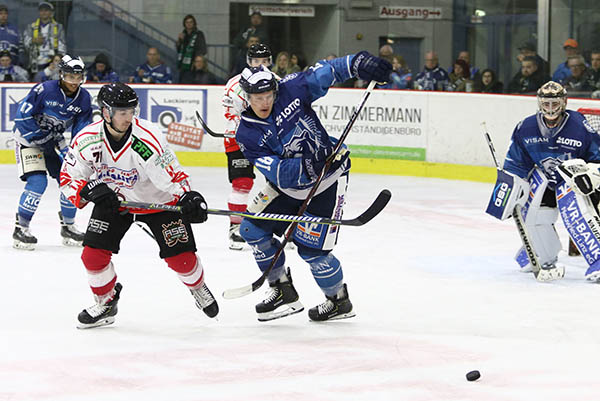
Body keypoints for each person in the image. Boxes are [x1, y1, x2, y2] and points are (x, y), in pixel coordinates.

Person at [234, 51, 392, 322]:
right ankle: (282, 289)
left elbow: (327, 71)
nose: (264, 102)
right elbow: (280, 174)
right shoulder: (247, 133)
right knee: (251, 228)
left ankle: (338, 301)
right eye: (257, 98)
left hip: (326, 183)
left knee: (312, 251)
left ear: (274, 90)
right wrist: (311, 163)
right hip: (289, 188)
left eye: (268, 96)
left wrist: (358, 63)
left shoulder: (291, 89)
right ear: (247, 98)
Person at [59, 82, 219, 329]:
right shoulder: (87, 139)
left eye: (131, 111)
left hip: (158, 202)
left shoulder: (147, 139)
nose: (128, 117)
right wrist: (87, 189)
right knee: (92, 256)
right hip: (116, 201)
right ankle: (106, 302)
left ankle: (197, 287)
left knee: (182, 260)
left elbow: (173, 177)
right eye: (122, 112)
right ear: (105, 112)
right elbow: (69, 177)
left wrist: (188, 197)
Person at [488, 81, 600, 282]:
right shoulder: (526, 127)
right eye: (546, 103)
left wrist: (591, 174)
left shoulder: (579, 125)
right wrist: (510, 187)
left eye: (554, 103)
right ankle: (544, 255)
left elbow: (597, 157)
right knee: (535, 216)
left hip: (573, 180)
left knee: (576, 215)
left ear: (564, 102)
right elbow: (516, 164)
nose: (550, 109)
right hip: (545, 180)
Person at [12, 54, 92, 250]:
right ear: (61, 74)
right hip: (28, 141)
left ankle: (68, 226)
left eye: (78, 77)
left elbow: (82, 130)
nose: (74, 82)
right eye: (70, 76)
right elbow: (22, 117)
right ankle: (20, 228)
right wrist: (40, 137)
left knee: (70, 180)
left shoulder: (84, 98)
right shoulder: (45, 90)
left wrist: (77, 153)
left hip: (54, 142)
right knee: (38, 181)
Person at [221, 43, 272, 250]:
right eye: (256, 61)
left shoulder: (275, 81)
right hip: (238, 139)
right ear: (249, 62)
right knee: (242, 183)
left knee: (277, 183)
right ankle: (236, 229)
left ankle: (273, 224)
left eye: (264, 61)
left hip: (268, 138)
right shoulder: (234, 85)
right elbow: (230, 114)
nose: (260, 66)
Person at [22, 2, 66, 75]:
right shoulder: (31, 27)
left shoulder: (58, 27)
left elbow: (62, 47)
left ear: (51, 12)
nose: (44, 12)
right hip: (35, 64)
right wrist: (33, 40)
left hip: (52, 64)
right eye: (41, 10)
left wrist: (59, 62)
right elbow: (25, 44)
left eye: (46, 10)